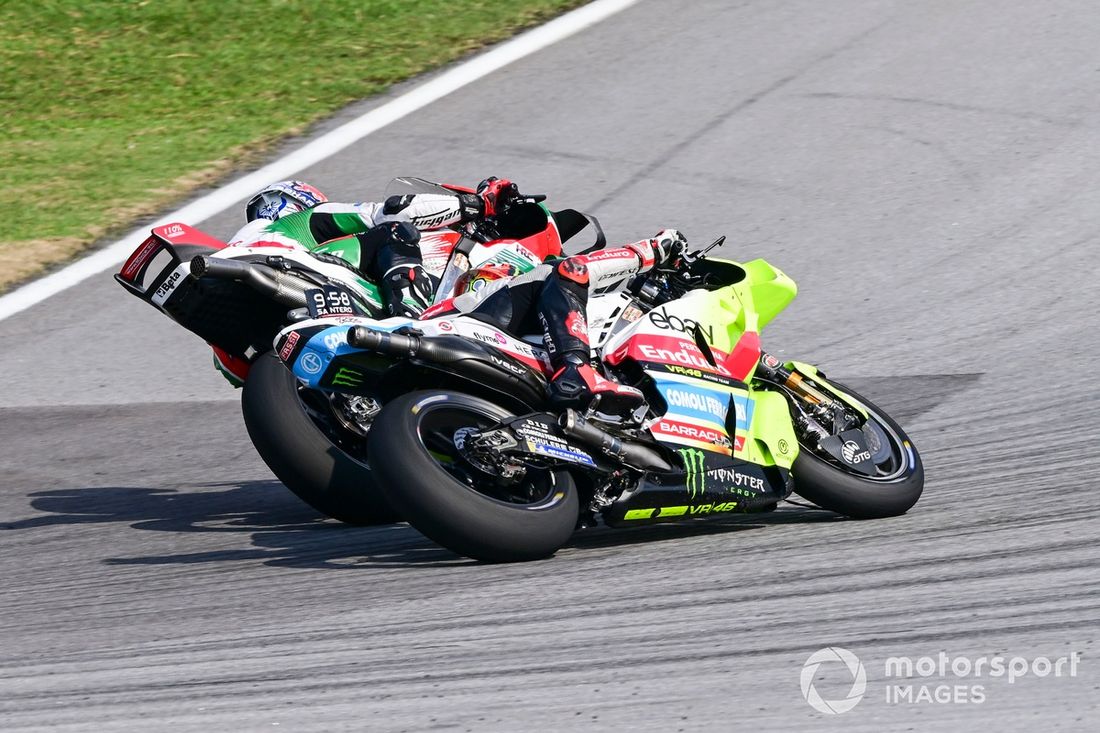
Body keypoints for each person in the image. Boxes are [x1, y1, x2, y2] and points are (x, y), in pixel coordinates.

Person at [422, 229, 689, 412]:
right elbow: (570, 272)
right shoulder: (463, 304)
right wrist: (654, 249)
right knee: (568, 269)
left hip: (472, 376)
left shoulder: (532, 322)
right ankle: (575, 369)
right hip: (458, 333)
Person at [228, 177, 519, 316]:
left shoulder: (240, 245)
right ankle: (411, 312)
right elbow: (392, 211)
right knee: (395, 231)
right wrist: (477, 204)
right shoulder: (301, 223)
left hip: (251, 304)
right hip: (297, 268)